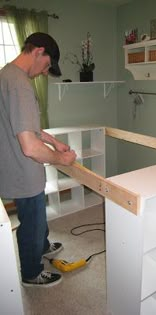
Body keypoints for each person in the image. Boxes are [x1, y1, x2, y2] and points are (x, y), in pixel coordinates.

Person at [0, 32, 77, 287]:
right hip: (23, 170)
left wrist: (54, 142)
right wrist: (61, 159)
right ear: (38, 51)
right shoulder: (20, 84)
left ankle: (42, 246)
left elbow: (28, 126)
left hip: (14, 166)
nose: (45, 72)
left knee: (36, 218)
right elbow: (31, 147)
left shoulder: (8, 75)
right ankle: (32, 273)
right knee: (32, 221)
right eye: (46, 65)